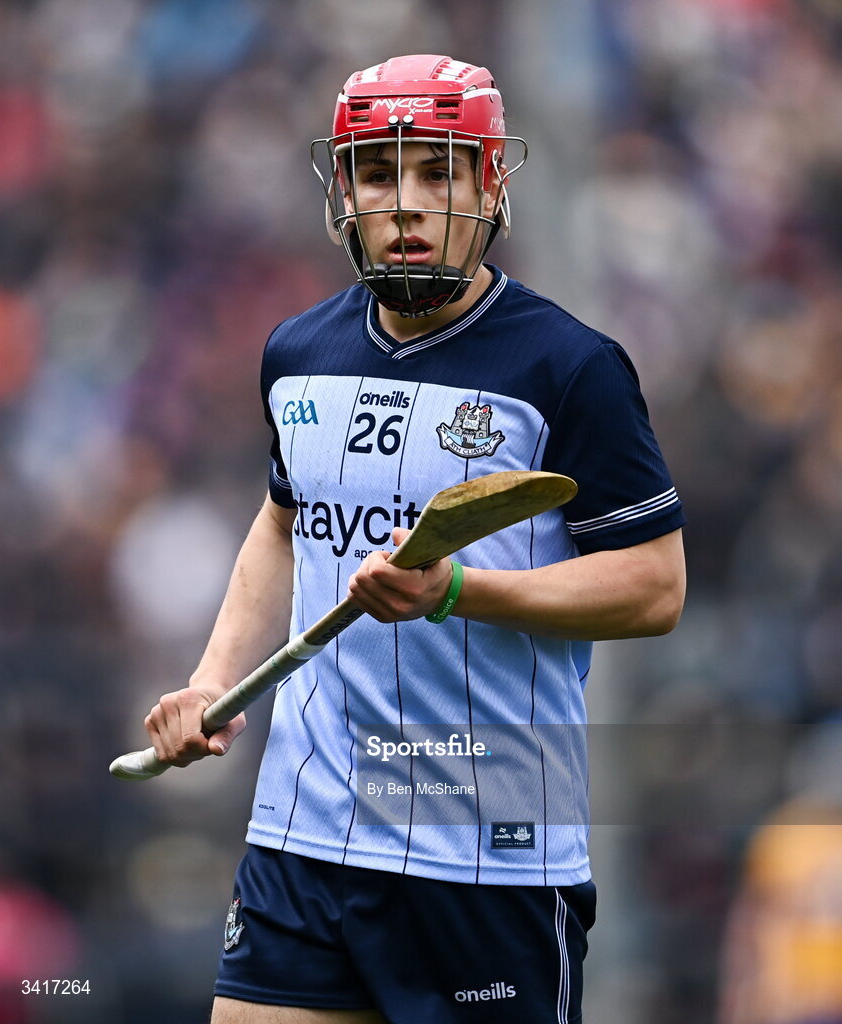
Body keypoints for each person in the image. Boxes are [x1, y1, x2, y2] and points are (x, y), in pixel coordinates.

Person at [143, 54, 687, 1023]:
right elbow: (282, 522)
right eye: (378, 172)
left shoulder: (568, 369)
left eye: (439, 171)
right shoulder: (296, 354)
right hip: (303, 844)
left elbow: (655, 587)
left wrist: (456, 591)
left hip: (486, 860)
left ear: (491, 186)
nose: (406, 201)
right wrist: (212, 679)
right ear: (341, 192)